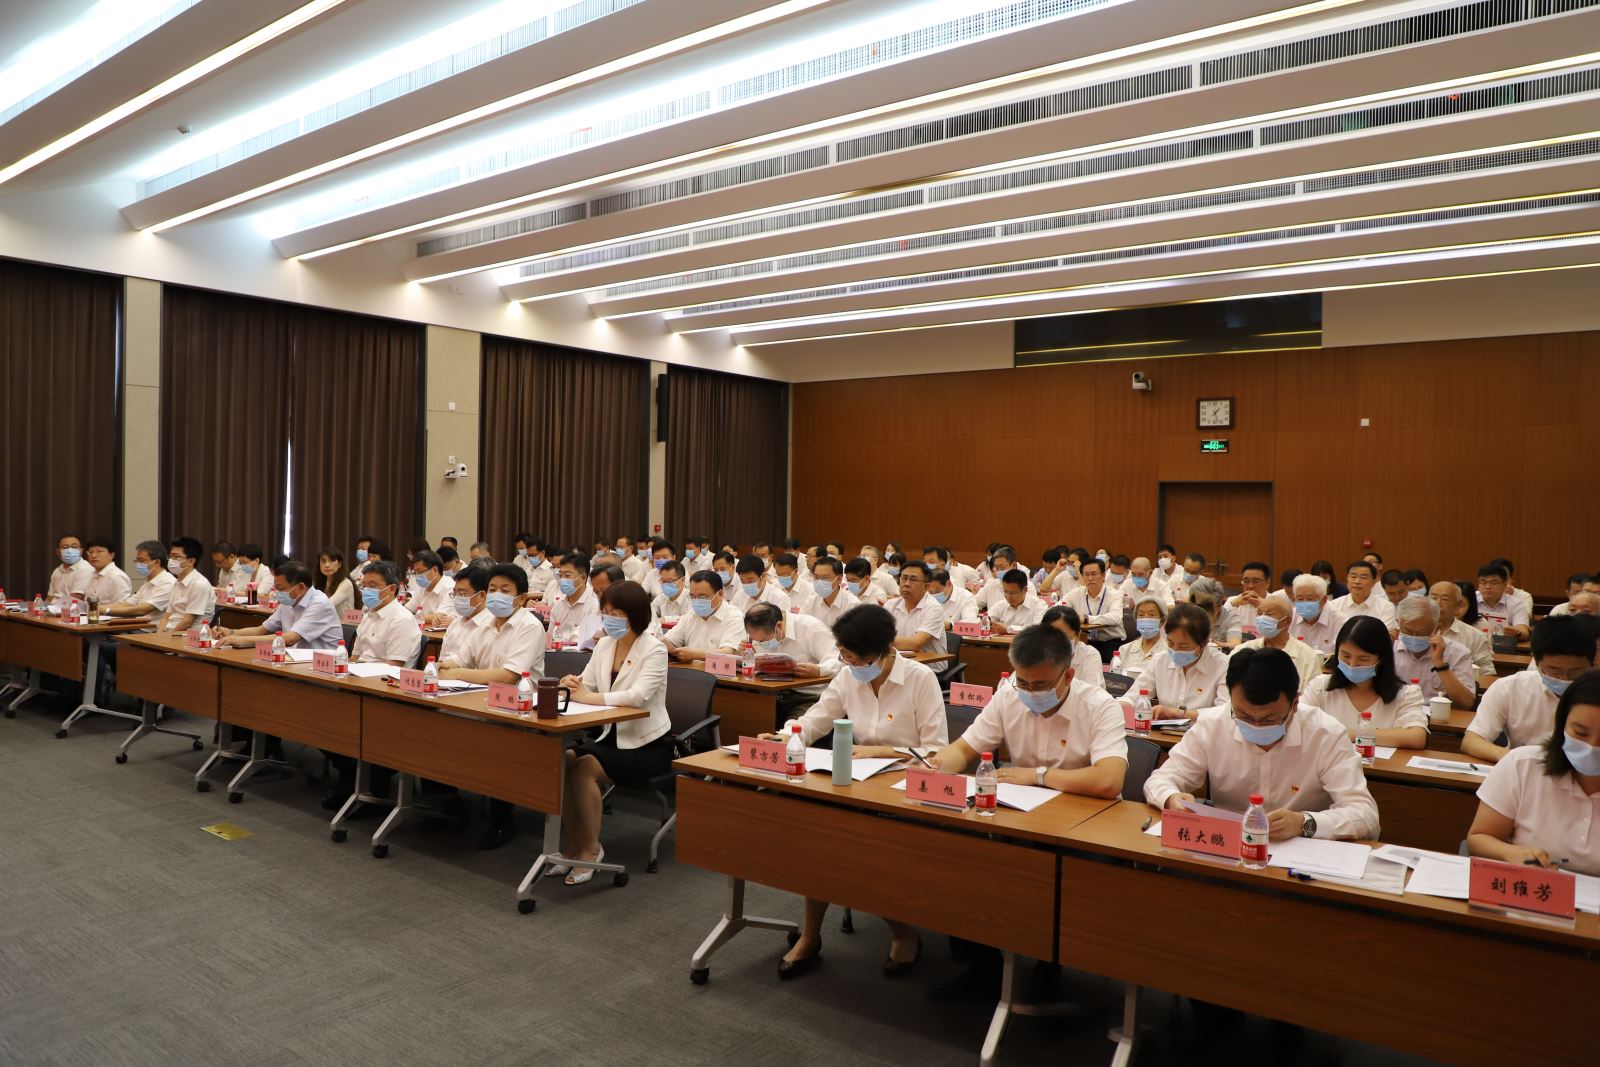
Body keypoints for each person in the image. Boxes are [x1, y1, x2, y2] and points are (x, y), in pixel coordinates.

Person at [770, 604, 948, 978]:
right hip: (857, 783)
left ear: (883, 651)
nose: (849, 663)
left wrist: (882, 751)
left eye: (855, 657)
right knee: (819, 842)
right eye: (844, 655)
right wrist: (784, 737)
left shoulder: (919, 680)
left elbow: (936, 751)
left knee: (868, 853)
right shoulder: (848, 676)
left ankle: (902, 931)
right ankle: (811, 936)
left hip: (904, 789)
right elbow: (816, 719)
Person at [1145, 646, 1380, 839]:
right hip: (1228, 845)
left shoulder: (1325, 735)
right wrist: (1171, 798)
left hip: (1300, 851)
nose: (1256, 726)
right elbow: (1161, 779)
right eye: (1244, 717)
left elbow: (1365, 815)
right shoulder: (1213, 724)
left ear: (1295, 703)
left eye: (1269, 719)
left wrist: (1303, 823)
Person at [549, 581, 671, 884]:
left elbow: (637, 696)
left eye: (616, 613)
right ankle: (574, 845)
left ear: (635, 615)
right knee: (563, 760)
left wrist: (588, 696)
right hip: (610, 738)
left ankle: (591, 849)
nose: (608, 619)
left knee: (584, 767)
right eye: (605, 612)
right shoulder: (604, 645)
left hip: (647, 745)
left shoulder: (654, 649)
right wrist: (571, 684)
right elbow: (587, 683)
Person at [1468, 670, 1600, 874]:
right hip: (1535, 888)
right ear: (1561, 725)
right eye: (1580, 733)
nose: (1592, 747)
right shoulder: (1522, 766)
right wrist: (1511, 853)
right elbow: (1479, 839)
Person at [1463, 616, 1598, 762]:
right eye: (1554, 671)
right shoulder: (1510, 688)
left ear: (1592, 663)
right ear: (1536, 661)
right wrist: (1515, 759)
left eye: (1575, 671)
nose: (1564, 678)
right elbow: (1472, 741)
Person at [1300, 616, 1427, 749]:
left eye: (1363, 659)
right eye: (1346, 656)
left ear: (1381, 659)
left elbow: (1416, 737)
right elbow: (1298, 724)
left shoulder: (1406, 694)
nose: (1352, 664)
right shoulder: (1320, 687)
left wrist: (1352, 734)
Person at [1124, 603, 1228, 721]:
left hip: (1204, 731)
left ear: (1204, 643)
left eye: (1184, 646)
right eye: (1170, 643)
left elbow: (1224, 713)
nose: (1175, 650)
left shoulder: (1222, 666)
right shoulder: (1160, 661)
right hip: (1162, 731)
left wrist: (1177, 713)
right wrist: (1118, 705)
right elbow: (1133, 697)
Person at [212, 561, 343, 650]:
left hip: (323, 667)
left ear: (301, 587)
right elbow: (262, 630)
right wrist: (232, 632)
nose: (277, 593)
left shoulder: (320, 603)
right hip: (294, 661)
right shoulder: (289, 601)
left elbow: (290, 639)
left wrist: (242, 640)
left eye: (281, 588)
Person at [743, 602, 839, 706]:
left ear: (779, 626)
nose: (761, 644)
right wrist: (747, 657)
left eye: (763, 641)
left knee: (794, 717)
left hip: (807, 696)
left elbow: (837, 659)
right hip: (771, 692)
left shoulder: (809, 627)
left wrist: (819, 670)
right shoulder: (759, 632)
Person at [1228, 592, 1324, 690]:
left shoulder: (1307, 656)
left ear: (1287, 621)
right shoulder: (1242, 650)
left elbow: (1312, 694)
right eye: (1259, 614)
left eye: (1269, 614)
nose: (1262, 618)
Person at [1393, 596, 1475, 707]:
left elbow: (1467, 702)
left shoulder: (1458, 653)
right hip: (1395, 712)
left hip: (1436, 714)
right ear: (1398, 623)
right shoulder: (1389, 647)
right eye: (1408, 631)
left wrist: (1440, 664)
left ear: (1437, 628)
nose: (1414, 637)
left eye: (1422, 633)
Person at [350, 562, 423, 665]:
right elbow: (354, 657)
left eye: (372, 586)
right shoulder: (368, 616)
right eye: (364, 586)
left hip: (385, 674)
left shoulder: (402, 619)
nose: (366, 591)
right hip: (359, 671)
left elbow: (393, 666)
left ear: (392, 589)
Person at [665, 570, 744, 660]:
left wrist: (695, 655)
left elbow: (728, 653)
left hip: (718, 669)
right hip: (690, 668)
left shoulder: (734, 616)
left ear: (720, 594)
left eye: (702, 596)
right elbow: (669, 640)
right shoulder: (691, 615)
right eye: (692, 597)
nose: (696, 601)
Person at [1430, 580, 1495, 684]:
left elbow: (1487, 673)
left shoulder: (1475, 636)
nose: (1438, 603)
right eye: (1433, 598)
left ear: (1458, 605)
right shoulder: (1414, 631)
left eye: (1445, 599)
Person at [1064, 557, 1125, 663]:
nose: (1090, 578)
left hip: (1110, 641)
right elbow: (1059, 607)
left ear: (1103, 575)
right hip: (1085, 640)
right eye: (1086, 575)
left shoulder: (1114, 594)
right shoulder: (1076, 593)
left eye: (1094, 574)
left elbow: (1116, 617)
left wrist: (1087, 619)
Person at [438, 564, 492, 668]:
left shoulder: (491, 625)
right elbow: (442, 660)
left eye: (462, 594)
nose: (457, 598)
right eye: (455, 593)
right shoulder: (455, 624)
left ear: (481, 595)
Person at [105, 541, 176, 620]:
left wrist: (105, 611)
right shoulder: (148, 582)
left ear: (157, 562)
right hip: (139, 625)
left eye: (141, 561)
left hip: (153, 627)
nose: (138, 564)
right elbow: (127, 604)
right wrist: (98, 608)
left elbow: (142, 610)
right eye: (137, 561)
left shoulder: (167, 583)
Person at [886, 561, 946, 654]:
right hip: (898, 660)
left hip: (929, 662)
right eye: (904, 578)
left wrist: (880, 641)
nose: (907, 584)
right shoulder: (890, 605)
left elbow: (916, 643)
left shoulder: (933, 608)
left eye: (913, 580)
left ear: (926, 587)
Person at [157, 537, 215, 633]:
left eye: (176, 557)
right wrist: (158, 635)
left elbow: (187, 623)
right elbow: (166, 616)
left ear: (191, 561)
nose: (171, 560)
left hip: (186, 636)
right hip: (169, 633)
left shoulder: (199, 584)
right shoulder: (178, 582)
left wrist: (166, 637)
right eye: (170, 556)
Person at [1041, 605, 1107, 689]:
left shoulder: (1089, 655)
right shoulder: (1036, 654)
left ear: (1078, 634)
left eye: (1063, 635)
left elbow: (1091, 691)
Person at [549, 553, 602, 648]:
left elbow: (584, 641)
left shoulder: (594, 606)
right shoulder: (558, 605)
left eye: (567, 575)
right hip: (557, 653)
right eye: (560, 575)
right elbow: (549, 637)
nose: (562, 580)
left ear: (583, 578)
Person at [1288, 573, 1345, 655]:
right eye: (1300, 599)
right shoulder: (1290, 617)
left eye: (1310, 599)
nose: (1304, 603)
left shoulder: (1339, 621)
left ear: (1324, 600)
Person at [1330, 561, 1395, 628]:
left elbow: (1383, 633)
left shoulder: (1385, 607)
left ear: (1373, 582)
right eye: (1353, 577)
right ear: (1347, 579)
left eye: (1363, 578)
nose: (1357, 581)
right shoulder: (1334, 606)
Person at [800, 555, 860, 628]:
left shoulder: (852, 605)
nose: (820, 582)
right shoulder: (811, 602)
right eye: (816, 577)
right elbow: (801, 627)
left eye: (825, 578)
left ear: (839, 579)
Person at [1115, 595, 1169, 676]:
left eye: (1151, 614)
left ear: (1162, 621)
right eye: (1141, 614)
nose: (1146, 618)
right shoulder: (1124, 650)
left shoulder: (1169, 652)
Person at [1476, 562, 1529, 641]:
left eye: (1493, 583)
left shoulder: (1516, 603)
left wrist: (1517, 633)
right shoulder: (1471, 599)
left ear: (1504, 584)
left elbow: (1524, 631)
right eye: (1483, 582)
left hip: (1504, 644)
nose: (1487, 586)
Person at [405, 550, 456, 624]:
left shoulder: (450, 587)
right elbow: (408, 609)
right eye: (415, 572)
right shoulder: (421, 586)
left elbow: (439, 617)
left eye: (420, 572)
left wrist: (412, 618)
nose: (417, 576)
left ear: (435, 569)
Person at [1224, 561, 1271, 636]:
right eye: (1246, 581)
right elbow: (1221, 629)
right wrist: (1234, 605)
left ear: (1268, 582)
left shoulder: (1276, 602)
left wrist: (1264, 605)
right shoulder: (1232, 601)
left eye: (1255, 581)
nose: (1250, 586)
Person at [83, 537, 132, 605]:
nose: (93, 555)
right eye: (90, 552)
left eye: (99, 551)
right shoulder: (93, 573)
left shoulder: (116, 576)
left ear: (111, 555)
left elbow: (122, 606)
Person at [315, 547, 361, 616]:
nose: (327, 565)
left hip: (345, 622)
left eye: (332, 561)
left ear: (339, 564)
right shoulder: (321, 582)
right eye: (323, 561)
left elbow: (327, 604)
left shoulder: (346, 583)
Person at [47, 534, 93, 601]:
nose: (70, 550)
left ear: (81, 551)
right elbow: (49, 597)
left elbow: (74, 599)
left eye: (74, 547)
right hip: (54, 606)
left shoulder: (85, 569)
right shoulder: (57, 571)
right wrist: (41, 606)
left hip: (71, 606)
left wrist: (52, 606)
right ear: (58, 552)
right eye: (65, 547)